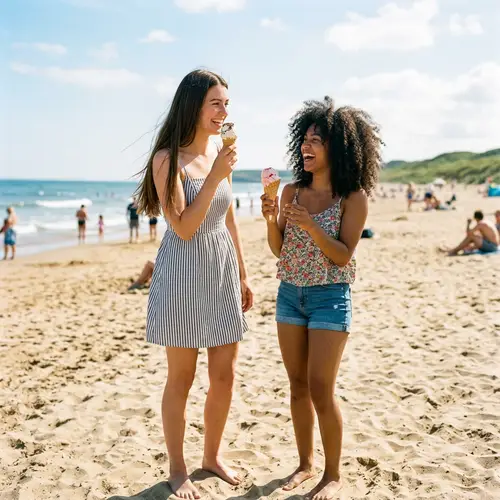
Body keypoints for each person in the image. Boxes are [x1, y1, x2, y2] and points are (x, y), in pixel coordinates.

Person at [134, 69, 253, 500]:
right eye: (216, 103)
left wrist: (242, 271)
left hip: (221, 268)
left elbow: (229, 217)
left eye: (227, 104)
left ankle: (211, 456)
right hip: (184, 273)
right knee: (181, 379)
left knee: (225, 376)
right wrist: (218, 174)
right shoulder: (167, 158)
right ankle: (178, 467)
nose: (224, 112)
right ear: (194, 106)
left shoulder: (221, 149)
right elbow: (183, 227)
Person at [261, 98, 382, 499]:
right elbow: (280, 250)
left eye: (317, 140)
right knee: (296, 385)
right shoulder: (292, 191)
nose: (306, 147)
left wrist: (312, 226)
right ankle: (304, 464)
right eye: (305, 140)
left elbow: (344, 254)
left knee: (319, 388)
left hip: (330, 297)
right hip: (289, 294)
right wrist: (269, 219)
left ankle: (332, 474)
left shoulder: (354, 197)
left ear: (340, 148)